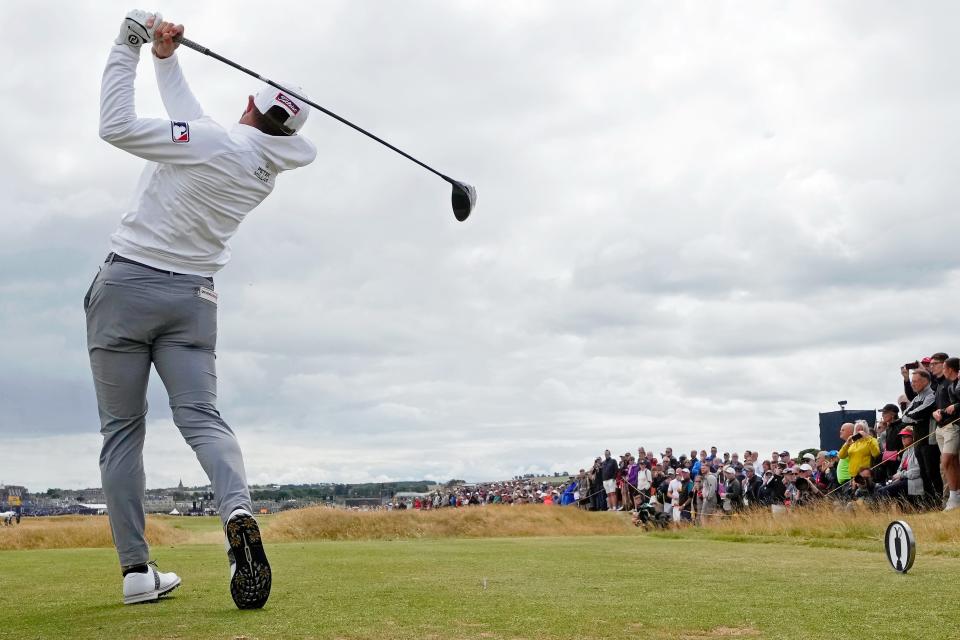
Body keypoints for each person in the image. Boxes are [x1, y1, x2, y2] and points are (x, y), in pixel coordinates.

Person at [89, 11, 316, 608]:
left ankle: (137, 572)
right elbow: (194, 122)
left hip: (126, 288)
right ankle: (237, 510)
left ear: (248, 104)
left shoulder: (214, 141)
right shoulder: (265, 165)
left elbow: (115, 126)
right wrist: (167, 60)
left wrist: (127, 46)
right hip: (193, 301)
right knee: (203, 419)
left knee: (122, 434)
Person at [932, 357, 960, 510]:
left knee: (947, 460)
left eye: (943, 367)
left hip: (953, 427)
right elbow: (948, 407)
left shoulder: (954, 384)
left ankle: (955, 496)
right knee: (951, 463)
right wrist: (939, 412)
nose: (942, 371)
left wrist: (954, 406)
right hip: (943, 425)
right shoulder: (949, 386)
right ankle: (955, 496)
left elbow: (955, 406)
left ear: (949, 369)